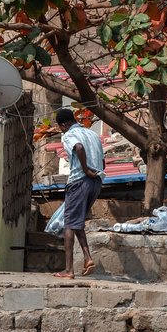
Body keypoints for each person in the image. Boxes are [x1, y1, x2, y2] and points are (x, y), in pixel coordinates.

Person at [54, 108, 105, 278]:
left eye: (61, 127)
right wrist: (93, 174)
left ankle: (69, 270)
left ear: (63, 125)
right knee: (77, 221)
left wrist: (86, 170)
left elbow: (79, 147)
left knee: (69, 224)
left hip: (79, 181)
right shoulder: (92, 135)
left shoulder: (69, 135)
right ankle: (88, 259)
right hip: (96, 182)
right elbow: (102, 161)